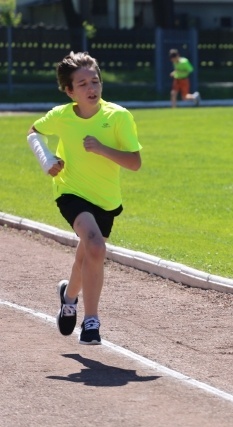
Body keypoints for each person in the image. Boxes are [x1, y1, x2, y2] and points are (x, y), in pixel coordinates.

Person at [26, 51, 143, 345]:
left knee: (87, 254)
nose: (91, 88)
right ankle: (91, 322)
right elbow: (33, 133)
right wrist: (47, 160)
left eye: (95, 81)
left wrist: (102, 149)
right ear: (69, 91)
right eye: (82, 84)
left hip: (105, 198)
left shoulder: (118, 116)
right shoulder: (62, 116)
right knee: (94, 245)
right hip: (70, 191)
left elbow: (134, 162)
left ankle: (68, 296)